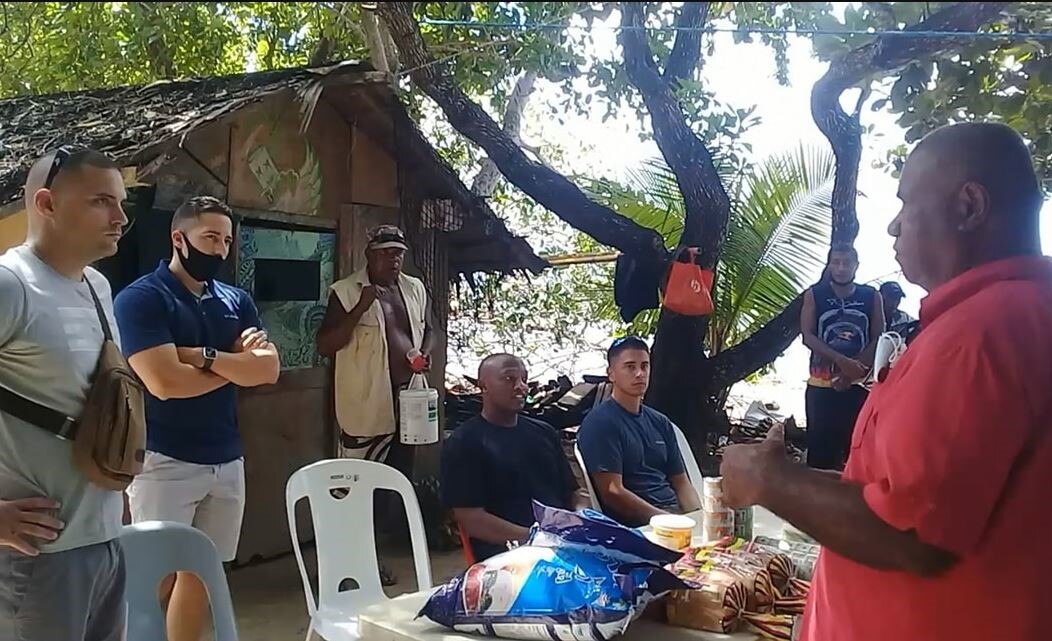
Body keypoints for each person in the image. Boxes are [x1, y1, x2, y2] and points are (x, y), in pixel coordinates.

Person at [720, 122, 1052, 641]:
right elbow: (912, 496)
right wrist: (805, 482)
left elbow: (913, 535)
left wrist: (771, 481)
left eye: (905, 205)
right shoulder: (1011, 315)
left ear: (969, 206)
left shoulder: (981, 332)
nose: (894, 228)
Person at [114, 195, 280, 641]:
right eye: (209, 238)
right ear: (178, 238)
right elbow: (164, 384)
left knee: (202, 575)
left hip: (226, 459)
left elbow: (267, 370)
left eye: (226, 240)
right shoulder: (142, 299)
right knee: (155, 576)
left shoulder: (235, 299)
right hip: (163, 459)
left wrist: (202, 357)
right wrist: (232, 367)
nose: (219, 250)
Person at [0, 147, 128, 641]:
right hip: (35, 559)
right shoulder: (12, 285)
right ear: (47, 204)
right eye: (101, 202)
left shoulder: (98, 286)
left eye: (120, 202)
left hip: (104, 541)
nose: (120, 217)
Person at [316, 224, 434, 583]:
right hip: (366, 403)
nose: (393, 258)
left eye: (398, 252)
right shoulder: (347, 292)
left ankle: (373, 556)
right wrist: (359, 309)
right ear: (369, 254)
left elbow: (431, 329)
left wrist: (423, 355)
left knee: (393, 482)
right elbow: (325, 344)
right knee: (353, 484)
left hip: (407, 400)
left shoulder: (414, 288)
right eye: (385, 252)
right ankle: (346, 559)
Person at [441, 354, 587, 560]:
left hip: (562, 544)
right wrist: (536, 539)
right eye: (509, 379)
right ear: (484, 386)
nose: (521, 387)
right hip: (509, 556)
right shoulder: (464, 442)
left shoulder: (544, 433)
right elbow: (471, 519)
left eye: (524, 380)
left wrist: (582, 519)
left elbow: (574, 493)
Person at [576, 336, 701, 527]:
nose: (639, 374)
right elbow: (612, 492)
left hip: (676, 518)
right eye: (630, 366)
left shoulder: (660, 422)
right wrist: (666, 521)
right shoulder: (600, 423)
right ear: (611, 373)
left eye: (645, 366)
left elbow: (681, 482)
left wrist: (698, 518)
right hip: (640, 528)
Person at [800, 245, 884, 470]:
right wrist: (840, 360)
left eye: (847, 263)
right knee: (820, 455)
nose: (841, 268)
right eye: (836, 262)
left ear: (856, 266)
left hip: (858, 385)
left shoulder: (871, 296)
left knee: (857, 452)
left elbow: (879, 337)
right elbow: (808, 336)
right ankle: (817, 503)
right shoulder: (815, 294)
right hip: (821, 385)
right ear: (828, 265)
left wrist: (853, 369)